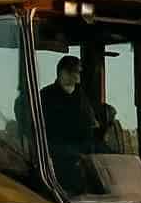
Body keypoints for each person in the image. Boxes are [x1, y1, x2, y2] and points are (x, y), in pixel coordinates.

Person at [38, 55, 100, 192]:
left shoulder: (82, 97)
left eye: (79, 71)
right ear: (62, 72)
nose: (77, 75)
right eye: (74, 71)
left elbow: (92, 124)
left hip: (84, 152)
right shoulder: (45, 96)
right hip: (56, 155)